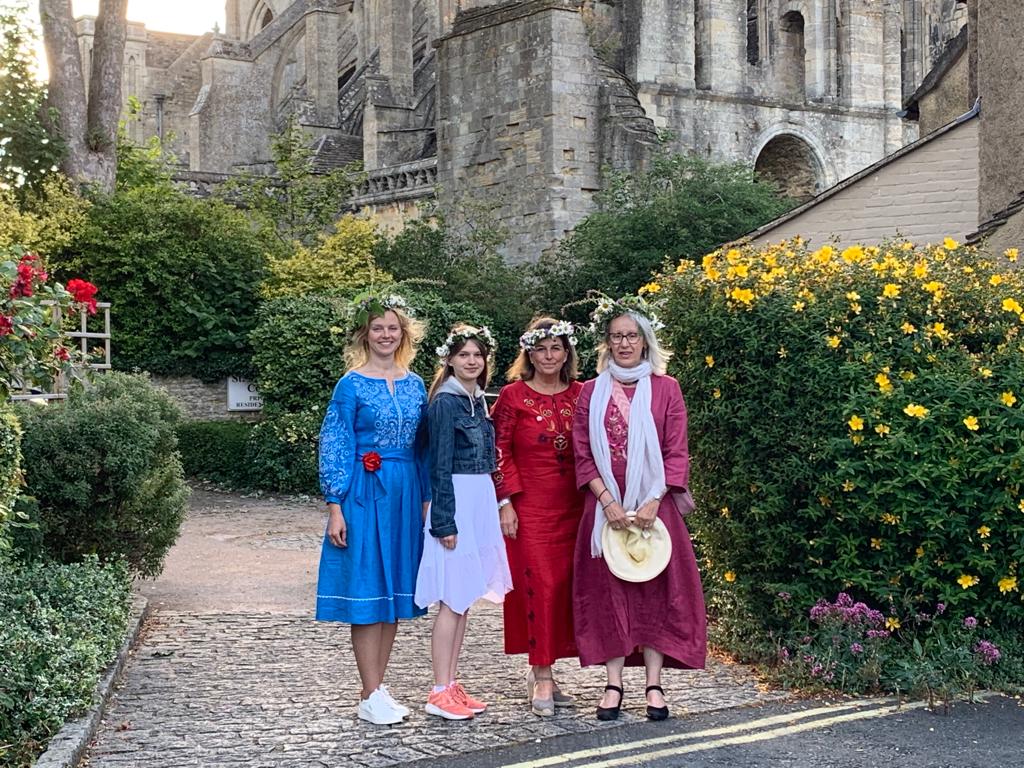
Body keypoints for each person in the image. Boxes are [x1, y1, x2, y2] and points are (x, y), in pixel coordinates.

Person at [572, 295, 707, 722]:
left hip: (655, 510)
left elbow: (676, 451)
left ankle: (654, 684)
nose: (624, 344)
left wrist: (652, 500)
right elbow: (582, 454)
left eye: (631, 336)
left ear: (645, 341)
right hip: (605, 512)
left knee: (655, 594)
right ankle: (612, 684)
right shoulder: (590, 393)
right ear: (606, 344)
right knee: (608, 594)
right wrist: (607, 501)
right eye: (617, 337)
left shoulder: (667, 389)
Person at [315, 293, 431, 726]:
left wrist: (426, 502)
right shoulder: (350, 384)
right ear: (365, 334)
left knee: (394, 591)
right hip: (364, 493)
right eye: (377, 328)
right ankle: (368, 691)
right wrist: (335, 504)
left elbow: (422, 447)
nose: (386, 335)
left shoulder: (416, 383)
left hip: (405, 492)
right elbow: (336, 441)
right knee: (367, 588)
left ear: (403, 333)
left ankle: (378, 689)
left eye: (392, 328)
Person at [415, 324, 514, 720]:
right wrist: (444, 520)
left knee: (464, 598)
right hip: (455, 502)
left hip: (478, 500)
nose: (472, 361)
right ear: (450, 361)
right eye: (464, 356)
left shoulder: (477, 401)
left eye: (478, 355)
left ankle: (452, 683)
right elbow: (437, 464)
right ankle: (438, 690)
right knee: (451, 600)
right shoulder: (445, 403)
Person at [492, 317, 584, 716]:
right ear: (529, 353)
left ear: (567, 353)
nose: (549, 356)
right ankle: (541, 674)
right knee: (539, 588)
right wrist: (505, 501)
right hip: (530, 507)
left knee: (566, 590)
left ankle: (546, 670)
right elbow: (498, 451)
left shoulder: (584, 394)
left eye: (556, 348)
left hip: (578, 506)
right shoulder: (513, 396)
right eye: (541, 349)